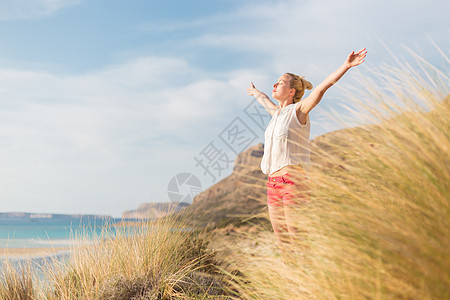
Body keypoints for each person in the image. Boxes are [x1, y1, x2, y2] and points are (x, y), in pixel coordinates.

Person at [247, 48, 367, 263]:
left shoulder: (299, 110)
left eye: (280, 82)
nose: (275, 84)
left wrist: (346, 66)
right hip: (272, 184)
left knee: (297, 237)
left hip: (293, 181)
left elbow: (322, 87)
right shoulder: (276, 114)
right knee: (282, 241)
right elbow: (264, 99)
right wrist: (255, 92)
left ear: (292, 91)